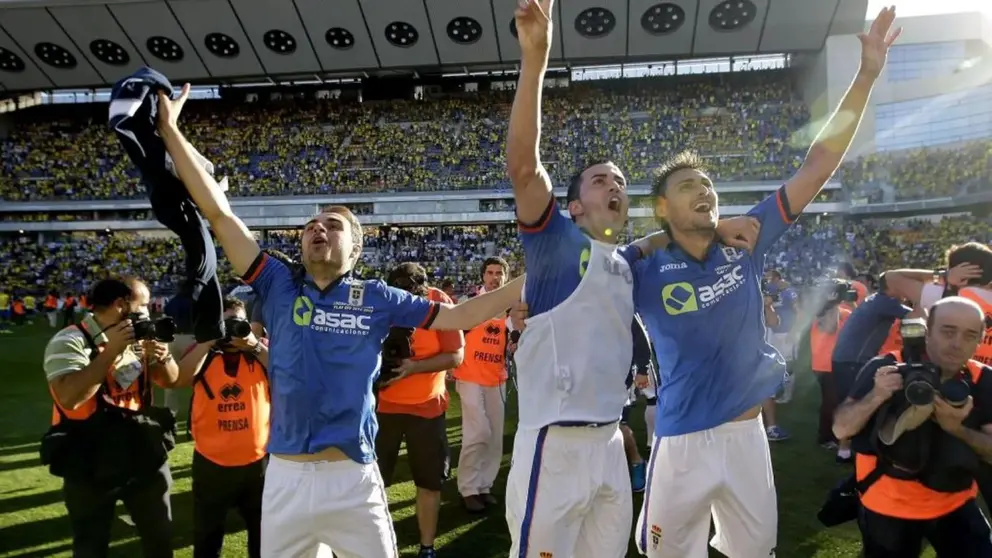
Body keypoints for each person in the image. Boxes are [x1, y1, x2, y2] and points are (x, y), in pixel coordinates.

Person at [157, 87, 526, 558]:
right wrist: (169, 130)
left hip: (353, 480)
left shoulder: (377, 296)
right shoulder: (276, 281)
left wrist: (533, 275)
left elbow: (460, 315)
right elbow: (219, 213)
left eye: (333, 225)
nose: (318, 228)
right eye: (312, 224)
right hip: (285, 479)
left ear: (355, 250)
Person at [632, 8, 902, 557]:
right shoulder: (642, 265)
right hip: (683, 441)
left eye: (708, 184)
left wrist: (866, 75)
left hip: (747, 437)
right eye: (687, 186)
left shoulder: (747, 240)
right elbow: (599, 263)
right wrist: (685, 234)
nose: (704, 191)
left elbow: (817, 165)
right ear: (662, 207)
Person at [506, 1, 759, 555]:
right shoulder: (555, 245)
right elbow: (524, 167)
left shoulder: (626, 261)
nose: (614, 184)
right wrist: (536, 59)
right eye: (600, 180)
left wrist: (716, 226)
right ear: (574, 206)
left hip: (610, 446)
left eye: (619, 179)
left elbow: (654, 241)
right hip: (554, 444)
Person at [832, 297, 992, 557]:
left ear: (979, 341)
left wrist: (957, 429)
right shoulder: (888, 366)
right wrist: (876, 395)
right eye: (948, 331)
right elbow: (841, 429)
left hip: (955, 500)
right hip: (888, 504)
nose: (957, 343)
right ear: (927, 332)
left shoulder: (983, 380)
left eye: (970, 335)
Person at [42, 277, 180, 558]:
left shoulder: (138, 337)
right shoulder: (70, 340)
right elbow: (69, 397)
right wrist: (110, 352)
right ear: (120, 305)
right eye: (143, 306)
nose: (148, 313)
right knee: (91, 544)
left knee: (160, 536)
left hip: (141, 450)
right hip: (89, 456)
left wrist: (163, 357)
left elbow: (170, 380)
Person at [376, 263, 464, 558]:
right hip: (382, 408)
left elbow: (456, 355)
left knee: (429, 482)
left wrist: (413, 367)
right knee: (372, 483)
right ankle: (375, 546)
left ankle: (427, 547)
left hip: (427, 409)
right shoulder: (379, 299)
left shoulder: (439, 302)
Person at [177, 296, 270, 558]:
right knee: (207, 537)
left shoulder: (259, 351)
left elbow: (287, 374)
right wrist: (208, 341)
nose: (231, 331)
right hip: (211, 463)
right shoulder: (203, 352)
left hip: (257, 463)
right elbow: (179, 378)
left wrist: (253, 345)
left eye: (236, 323)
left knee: (263, 536)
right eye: (224, 324)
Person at [452, 257, 512, 513]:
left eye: (499, 273)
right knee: (478, 432)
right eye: (490, 272)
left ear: (506, 277)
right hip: (470, 375)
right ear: (483, 276)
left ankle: (484, 486)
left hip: (496, 378)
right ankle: (468, 488)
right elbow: (453, 333)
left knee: (495, 436)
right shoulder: (470, 302)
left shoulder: (511, 306)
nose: (494, 277)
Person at [808, 280, 853, 455]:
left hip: (839, 361)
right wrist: (834, 302)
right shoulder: (822, 312)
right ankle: (826, 437)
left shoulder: (844, 310)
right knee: (831, 401)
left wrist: (846, 301)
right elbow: (830, 328)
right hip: (824, 363)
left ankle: (835, 435)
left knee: (838, 400)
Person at [763, 269, 798, 440]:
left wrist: (795, 330)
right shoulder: (764, 290)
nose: (768, 280)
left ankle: (787, 393)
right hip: (769, 335)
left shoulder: (788, 291)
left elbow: (798, 311)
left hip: (782, 332)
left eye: (770, 277)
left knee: (785, 363)